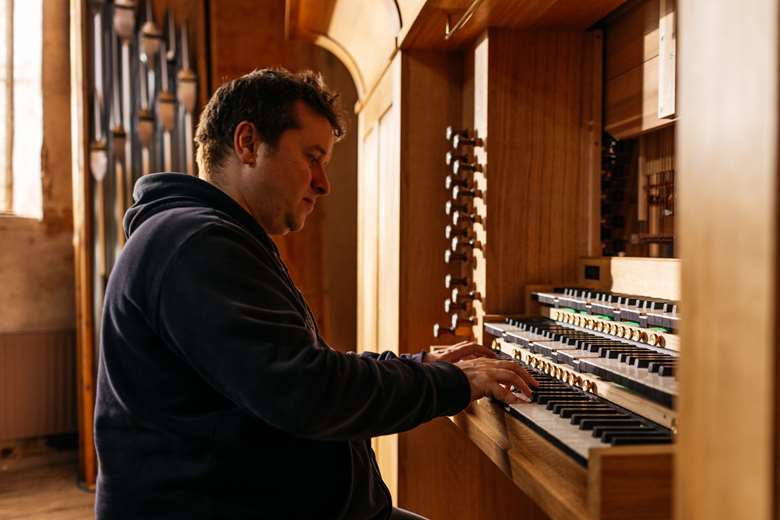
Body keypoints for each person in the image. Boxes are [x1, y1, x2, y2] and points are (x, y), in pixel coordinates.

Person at [94, 68, 537, 520]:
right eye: (312, 157)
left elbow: (298, 370)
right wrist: (452, 384)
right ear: (247, 143)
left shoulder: (208, 237)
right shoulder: (196, 243)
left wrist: (420, 366)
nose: (324, 183)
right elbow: (305, 393)